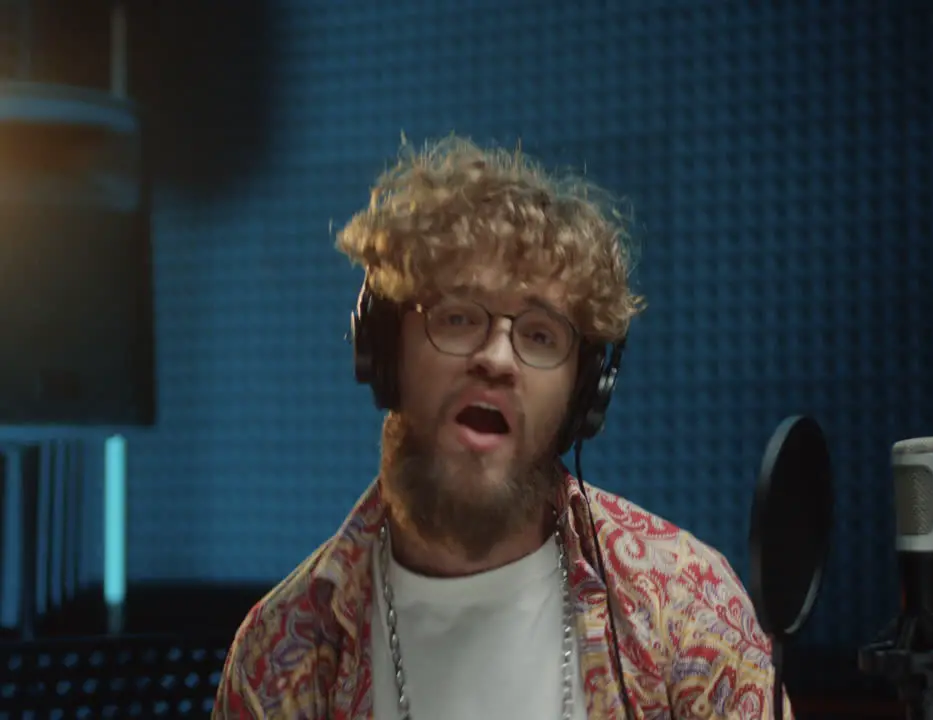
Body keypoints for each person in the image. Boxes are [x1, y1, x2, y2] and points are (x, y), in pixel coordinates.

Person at [212, 137, 792, 719]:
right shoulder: (283, 652)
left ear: (583, 393)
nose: (497, 358)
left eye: (540, 335)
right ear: (386, 353)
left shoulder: (688, 607)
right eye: (459, 318)